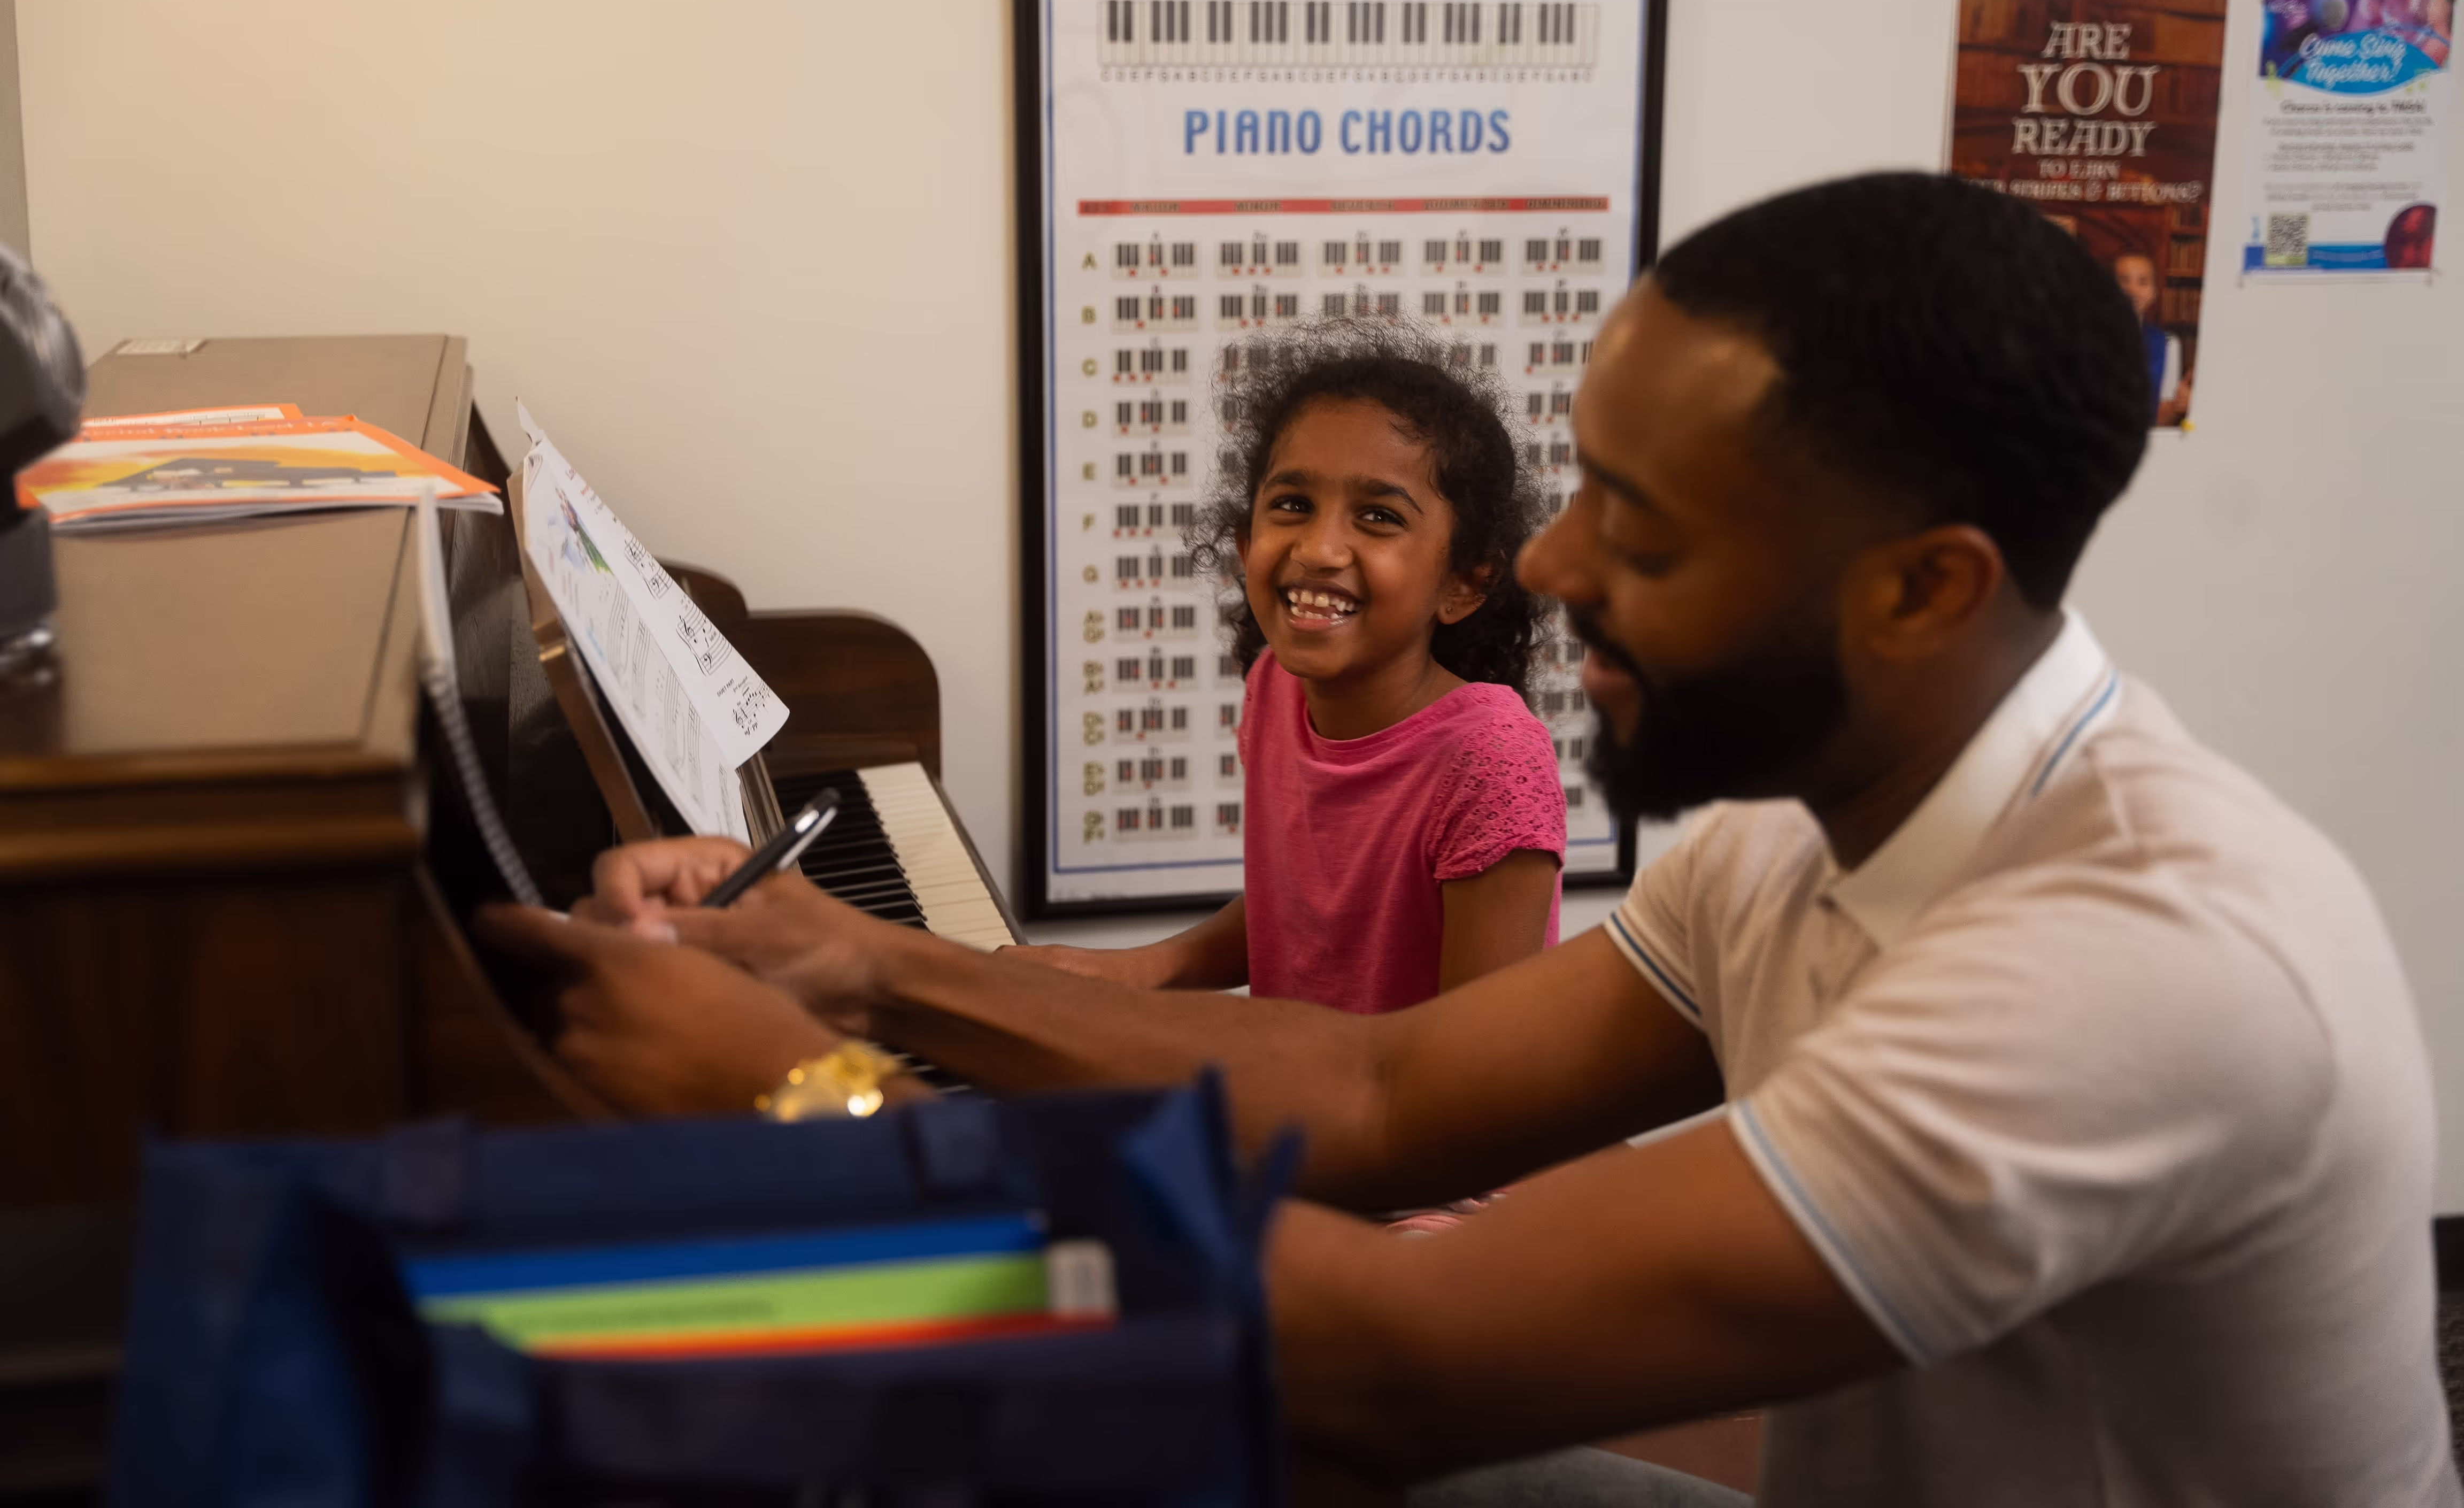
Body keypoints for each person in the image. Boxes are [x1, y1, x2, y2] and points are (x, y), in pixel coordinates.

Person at [483, 173, 2457, 1506]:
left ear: (1921, 592)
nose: (1550, 565)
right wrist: (860, 962)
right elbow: (1370, 1082)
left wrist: (814, 1105)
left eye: (1643, 526)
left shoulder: (2146, 966)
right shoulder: (1792, 839)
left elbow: (1397, 1351)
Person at [1016, 321, 1567, 1013]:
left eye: (1377, 516)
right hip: (1297, 1100)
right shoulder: (1275, 687)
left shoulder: (1493, 761)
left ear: (1464, 582)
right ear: (1246, 542)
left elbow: (1477, 1073)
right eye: (1293, 505)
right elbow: (1301, 916)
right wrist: (1137, 972)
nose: (1320, 547)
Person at [2112, 249, 2191, 426]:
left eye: (2143, 282)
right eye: (2124, 280)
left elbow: (2162, 419)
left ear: (2154, 292)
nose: (2132, 290)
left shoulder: (2168, 344)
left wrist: (2177, 407)